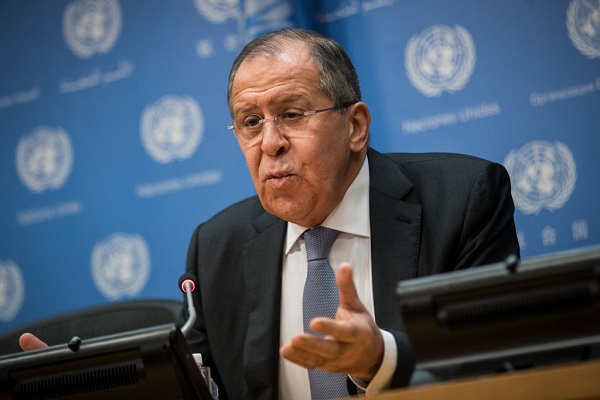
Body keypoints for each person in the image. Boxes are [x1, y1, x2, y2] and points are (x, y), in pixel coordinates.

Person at [21, 28, 520, 399]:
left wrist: (379, 358)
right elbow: (201, 386)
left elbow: (498, 366)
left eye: (292, 114)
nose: (271, 143)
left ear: (356, 126)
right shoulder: (217, 244)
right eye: (250, 122)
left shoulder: (462, 198)